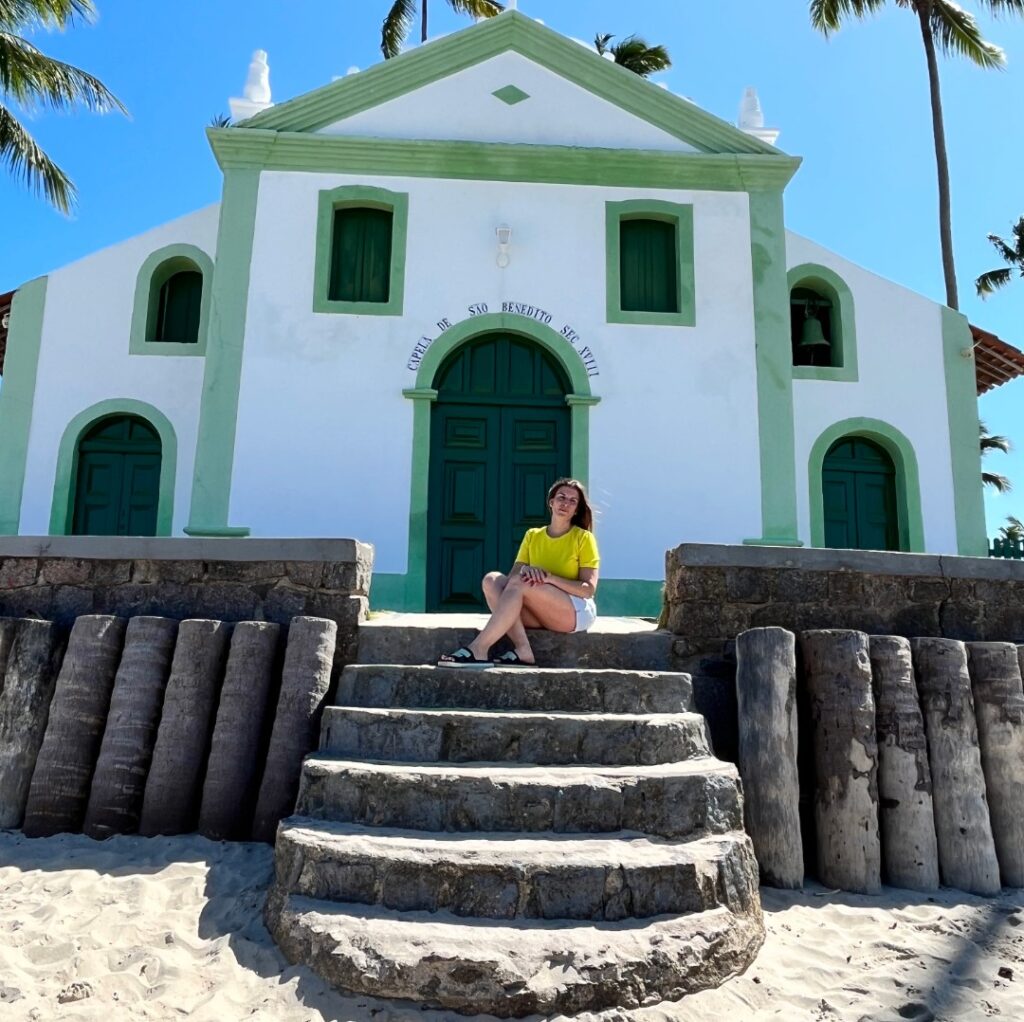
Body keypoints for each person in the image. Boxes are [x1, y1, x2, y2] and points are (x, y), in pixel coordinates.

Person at [438, 477, 600, 667]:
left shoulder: (583, 538)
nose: (565, 503)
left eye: (573, 501)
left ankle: (479, 648)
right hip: (540, 611)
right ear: (551, 502)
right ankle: (523, 649)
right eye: (561, 497)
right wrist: (528, 570)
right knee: (492, 580)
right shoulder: (533, 535)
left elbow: (588, 589)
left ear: (577, 509)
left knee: (521, 582)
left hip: (575, 612)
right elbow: (513, 579)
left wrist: (549, 578)